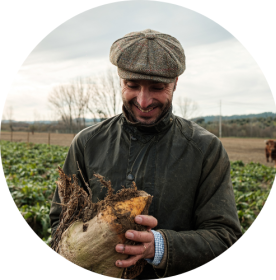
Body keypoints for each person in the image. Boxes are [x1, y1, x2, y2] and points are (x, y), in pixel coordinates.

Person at [49, 29, 242, 278]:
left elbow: (225, 237)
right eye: (132, 86)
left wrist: (160, 247)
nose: (143, 100)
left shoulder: (205, 149)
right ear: (120, 81)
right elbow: (59, 222)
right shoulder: (87, 143)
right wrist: (91, 244)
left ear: (175, 83)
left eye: (157, 87)